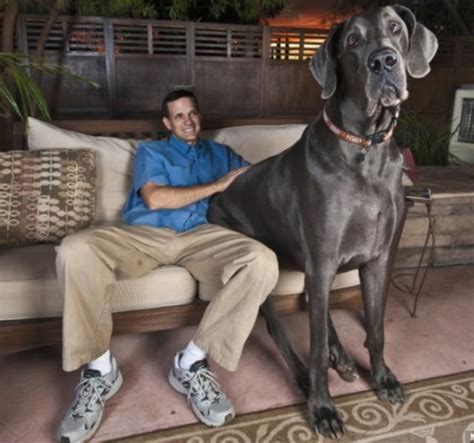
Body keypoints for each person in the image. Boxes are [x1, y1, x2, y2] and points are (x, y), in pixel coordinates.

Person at [56, 89, 279, 443]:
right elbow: (155, 197)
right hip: (148, 234)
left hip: (203, 237)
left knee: (263, 261)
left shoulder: (219, 153)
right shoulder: (152, 151)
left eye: (192, 113)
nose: (188, 121)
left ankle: (191, 362)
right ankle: (99, 370)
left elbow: (261, 177)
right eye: (179, 116)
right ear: (167, 123)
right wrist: (218, 185)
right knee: (75, 249)